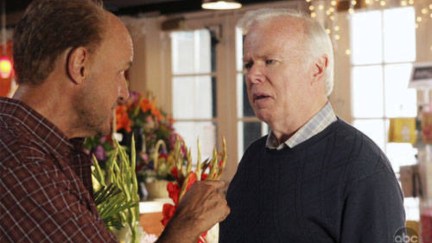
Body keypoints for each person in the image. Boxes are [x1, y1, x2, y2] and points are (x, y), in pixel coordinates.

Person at [0, 0, 229, 242]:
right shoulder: (22, 164)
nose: (124, 92)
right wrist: (186, 225)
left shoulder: (32, 149)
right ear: (80, 64)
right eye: (120, 72)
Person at [219, 8, 405, 243]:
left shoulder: (365, 169)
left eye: (269, 61)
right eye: (248, 64)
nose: (252, 75)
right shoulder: (253, 158)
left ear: (317, 69)